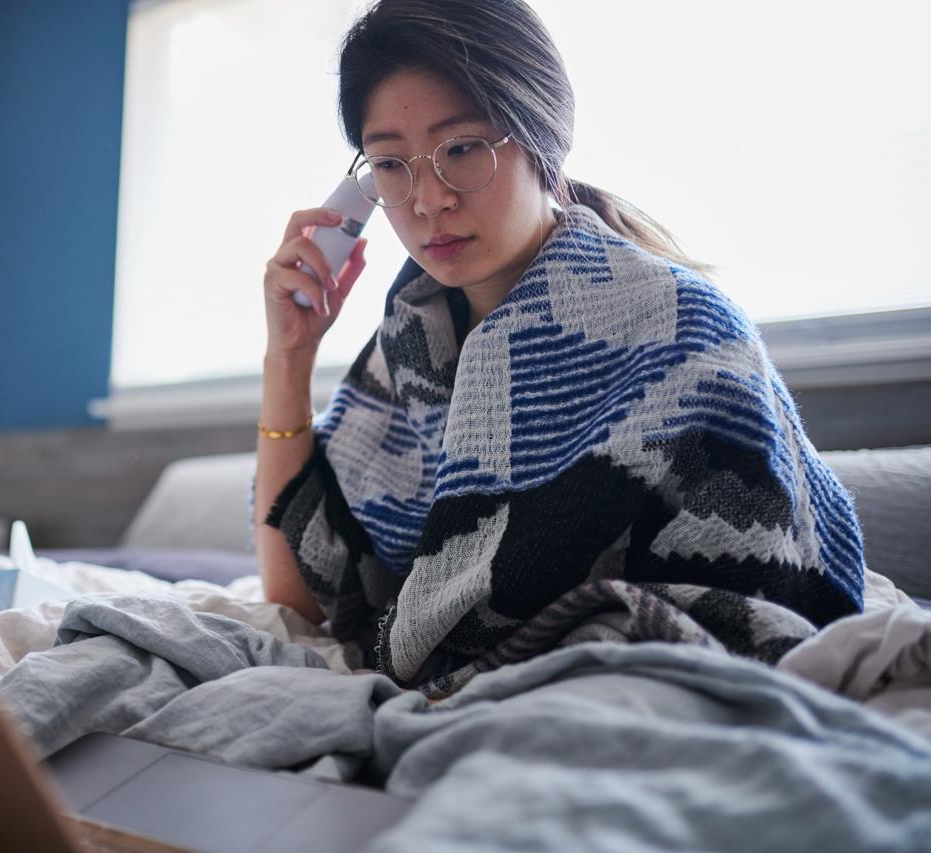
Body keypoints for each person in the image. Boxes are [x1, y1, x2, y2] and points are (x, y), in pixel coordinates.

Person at [253, 0, 864, 696]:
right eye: (391, 164)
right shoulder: (410, 349)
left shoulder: (684, 329)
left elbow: (760, 601)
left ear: (544, 137)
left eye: (461, 148)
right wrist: (289, 356)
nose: (426, 200)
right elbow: (298, 598)